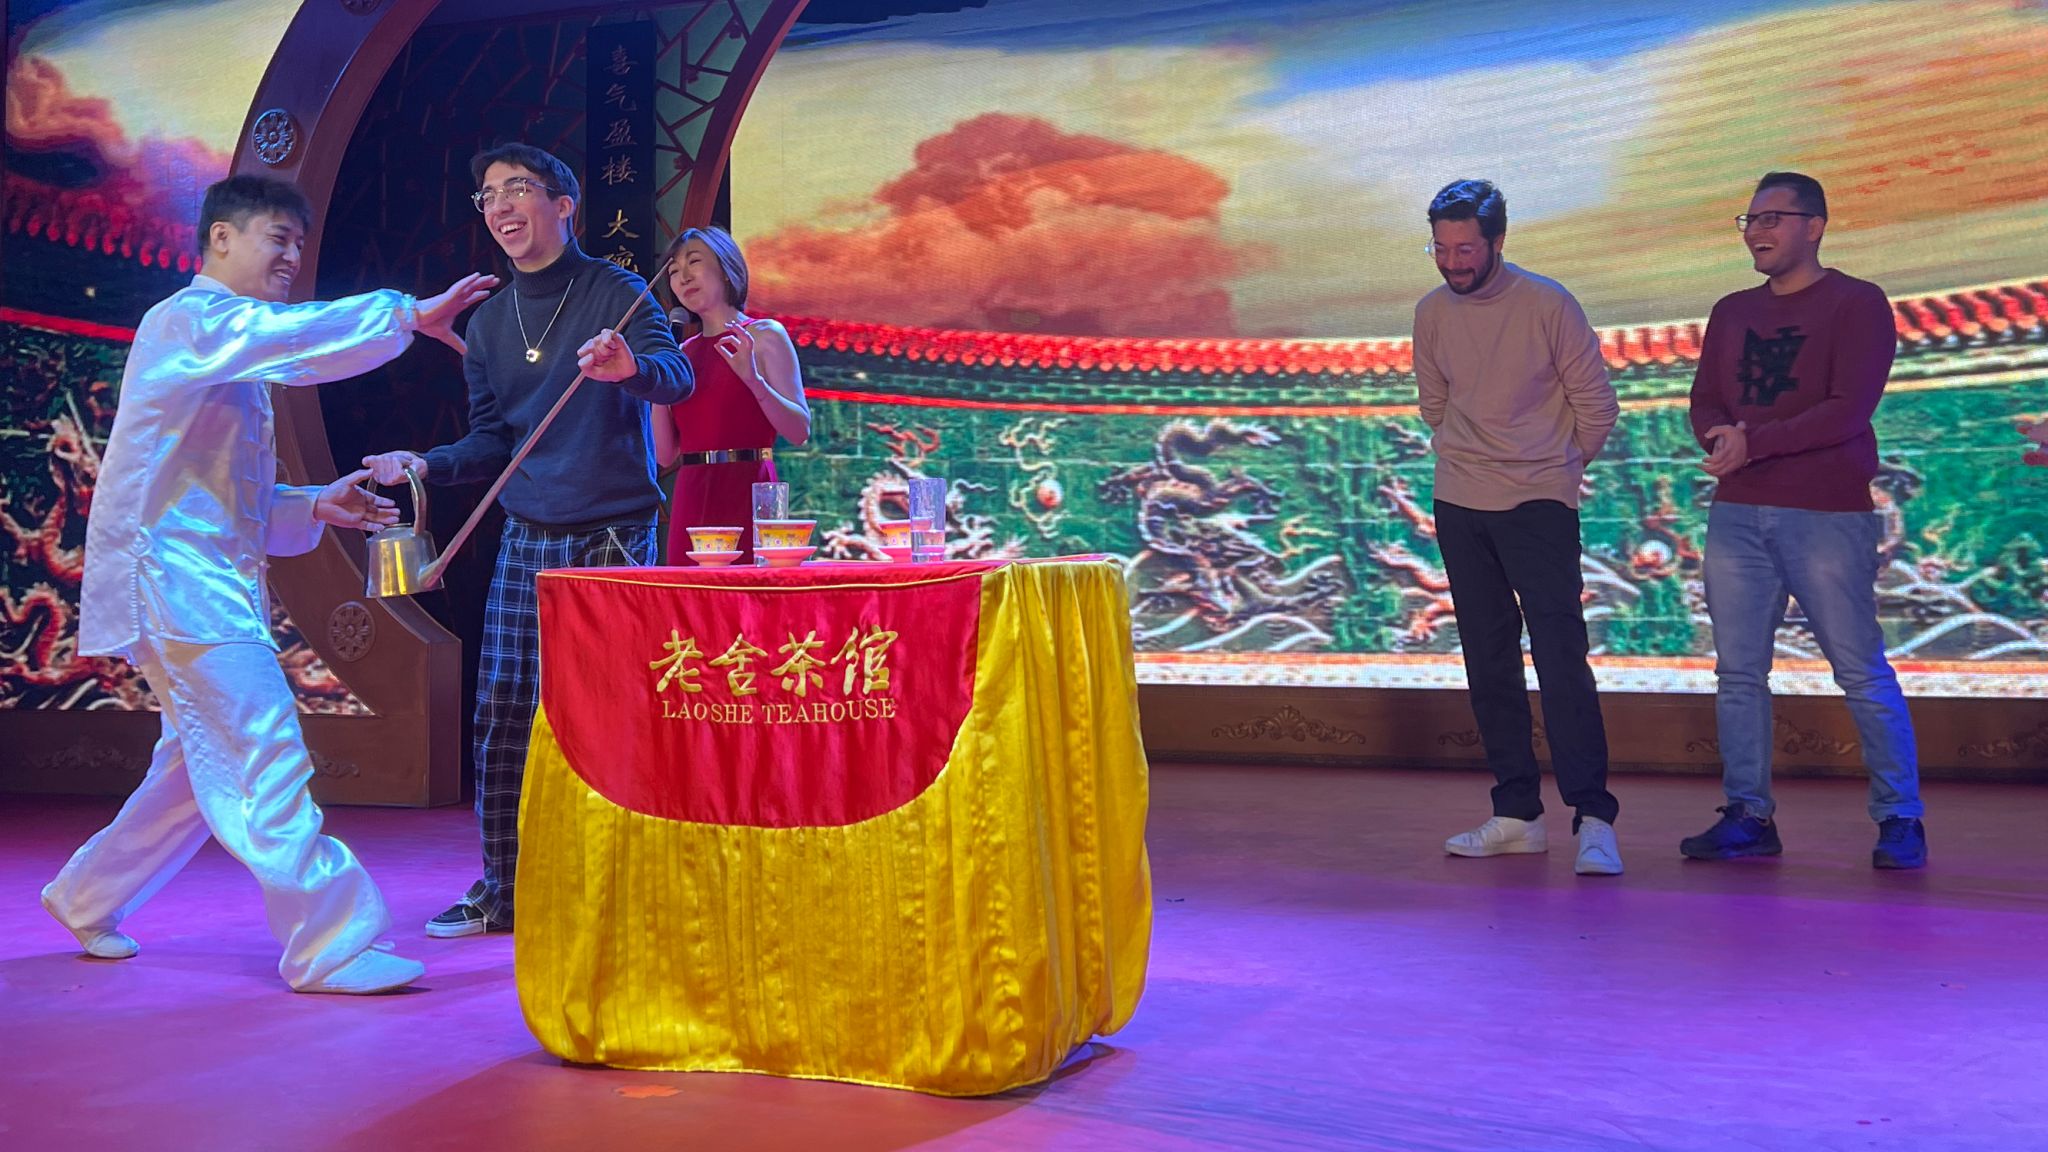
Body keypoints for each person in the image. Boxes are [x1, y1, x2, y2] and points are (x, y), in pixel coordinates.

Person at [41, 174, 495, 993]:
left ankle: (85, 897)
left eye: (298, 243)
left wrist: (314, 503)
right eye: (277, 238)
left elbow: (222, 494)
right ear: (220, 237)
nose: (292, 256)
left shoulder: (231, 351)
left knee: (192, 771)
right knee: (262, 745)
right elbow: (296, 340)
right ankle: (330, 944)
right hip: (178, 584)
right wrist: (402, 314)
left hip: (202, 578)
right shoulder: (190, 320)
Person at [363, 143, 692, 937]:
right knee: (504, 709)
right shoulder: (487, 326)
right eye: (489, 196)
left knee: (612, 714)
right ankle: (504, 889)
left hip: (614, 531)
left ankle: (618, 889)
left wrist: (629, 369)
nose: (502, 206)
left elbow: (676, 376)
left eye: (518, 189)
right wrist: (426, 463)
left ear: (563, 203)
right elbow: (491, 441)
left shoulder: (615, 291)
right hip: (529, 531)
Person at [1680, 172, 1926, 869]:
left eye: (1773, 218)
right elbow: (1705, 399)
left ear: (1814, 226)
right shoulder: (1731, 311)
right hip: (1737, 513)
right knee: (1738, 673)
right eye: (1750, 219)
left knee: (1859, 668)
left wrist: (1752, 441)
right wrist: (1720, 437)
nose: (1757, 231)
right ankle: (1748, 814)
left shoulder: (1857, 303)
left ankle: (1900, 817)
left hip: (1825, 512)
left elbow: (1848, 410)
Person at [1413, 178, 1624, 876]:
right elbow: (1435, 405)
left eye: (1465, 249)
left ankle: (1593, 817)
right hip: (1460, 500)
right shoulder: (1431, 312)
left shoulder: (1547, 303)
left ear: (1497, 241)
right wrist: (1471, 462)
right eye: (1441, 249)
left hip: (1539, 502)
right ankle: (1517, 814)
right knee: (1488, 659)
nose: (1453, 262)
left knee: (1561, 658)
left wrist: (1555, 471)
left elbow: (1596, 405)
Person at [650, 226, 809, 564]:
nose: (683, 277)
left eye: (694, 262)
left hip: (750, 488)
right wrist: (657, 384)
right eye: (674, 271)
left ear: (726, 269)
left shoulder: (764, 335)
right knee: (688, 595)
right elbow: (664, 455)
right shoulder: (682, 352)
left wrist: (754, 381)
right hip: (692, 493)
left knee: (748, 591)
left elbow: (799, 431)